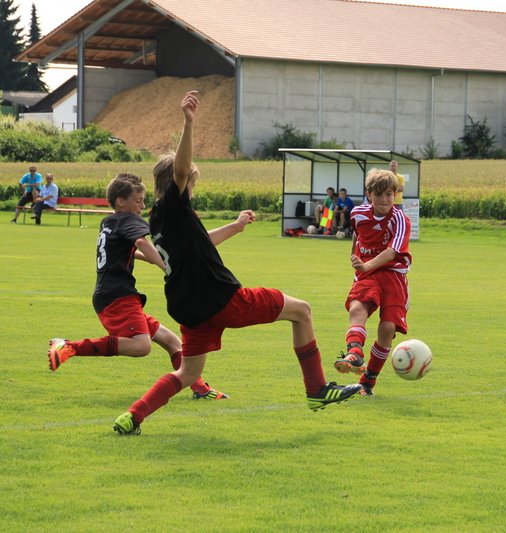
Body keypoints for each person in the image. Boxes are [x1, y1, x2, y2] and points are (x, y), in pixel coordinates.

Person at [111, 91, 361, 435]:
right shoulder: (173, 204)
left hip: (190, 308)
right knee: (301, 311)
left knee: (188, 373)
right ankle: (317, 390)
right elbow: (181, 168)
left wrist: (236, 226)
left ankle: (133, 415)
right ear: (179, 184)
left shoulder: (160, 219)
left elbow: (201, 245)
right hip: (221, 298)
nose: (192, 187)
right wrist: (188, 122)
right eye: (191, 182)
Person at [47, 173, 226, 400]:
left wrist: (149, 258)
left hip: (112, 294)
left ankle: (200, 389)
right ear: (121, 201)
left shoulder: (109, 222)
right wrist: (167, 267)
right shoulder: (129, 219)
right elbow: (142, 242)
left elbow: (127, 251)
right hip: (118, 296)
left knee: (171, 341)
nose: (142, 206)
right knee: (141, 346)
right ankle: (69, 346)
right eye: (138, 200)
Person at [333, 168, 412, 396]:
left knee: (387, 329)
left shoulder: (400, 219)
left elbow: (392, 252)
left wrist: (367, 265)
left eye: (389, 194)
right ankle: (354, 352)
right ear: (369, 194)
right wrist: (355, 257)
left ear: (395, 194)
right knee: (358, 307)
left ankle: (368, 380)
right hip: (367, 274)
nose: (384, 199)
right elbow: (358, 235)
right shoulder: (357, 213)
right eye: (379, 194)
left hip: (394, 275)